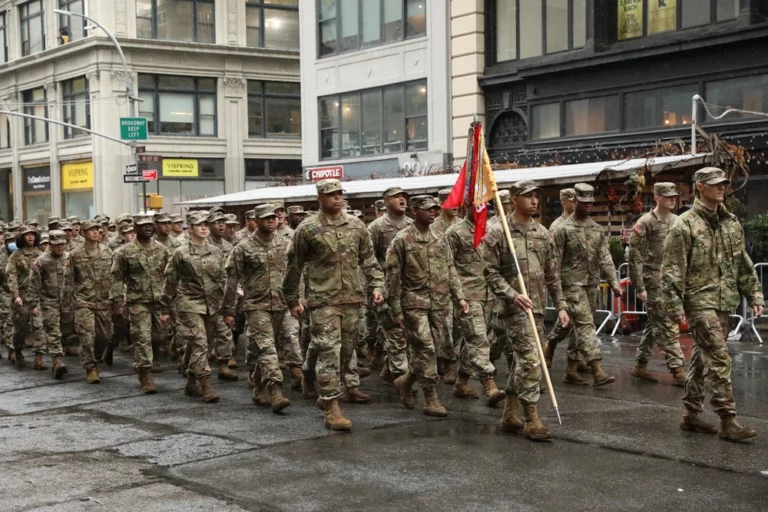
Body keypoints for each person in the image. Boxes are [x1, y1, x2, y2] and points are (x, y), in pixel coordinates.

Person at [662, 167, 764, 441]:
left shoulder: (731, 223)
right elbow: (672, 269)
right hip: (698, 303)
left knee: (701, 360)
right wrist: (674, 308)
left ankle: (691, 415)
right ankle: (728, 419)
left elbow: (742, 262)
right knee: (719, 358)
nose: (722, 188)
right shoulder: (684, 224)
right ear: (700, 187)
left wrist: (754, 294)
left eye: (724, 184)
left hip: (723, 301)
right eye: (715, 184)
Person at [283, 179, 384, 431]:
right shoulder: (308, 229)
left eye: (340, 194)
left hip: (351, 299)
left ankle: (310, 374)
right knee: (329, 350)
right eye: (331, 195)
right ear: (320, 198)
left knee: (345, 352)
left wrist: (378, 286)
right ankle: (331, 406)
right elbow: (294, 267)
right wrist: (293, 300)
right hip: (322, 301)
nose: (337, 199)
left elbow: (369, 260)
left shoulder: (356, 225)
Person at [483, 181, 570, 441]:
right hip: (512, 309)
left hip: (537, 308)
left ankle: (510, 414)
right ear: (514, 200)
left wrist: (562, 305)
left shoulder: (542, 233)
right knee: (532, 361)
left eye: (536, 196)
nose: (534, 201)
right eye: (528, 196)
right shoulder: (499, 232)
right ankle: (532, 418)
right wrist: (512, 294)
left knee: (523, 361)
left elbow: (552, 274)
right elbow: (489, 271)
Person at [386, 194, 465, 417]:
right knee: (426, 349)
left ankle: (407, 379)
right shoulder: (402, 240)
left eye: (435, 209)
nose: (433, 212)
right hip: (414, 303)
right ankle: (431, 398)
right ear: (414, 211)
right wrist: (395, 309)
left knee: (439, 347)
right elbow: (392, 277)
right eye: (428, 208)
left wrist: (459, 296)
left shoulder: (441, 237)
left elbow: (450, 268)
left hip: (439, 303)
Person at [223, 204, 295, 413]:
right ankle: (275, 390)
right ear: (256, 221)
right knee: (267, 347)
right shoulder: (243, 248)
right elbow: (231, 280)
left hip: (281, 304)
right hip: (256, 305)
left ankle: (257, 385)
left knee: (258, 348)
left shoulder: (285, 244)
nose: (271, 221)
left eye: (273, 217)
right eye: (266, 218)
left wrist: (297, 300)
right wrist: (228, 310)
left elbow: (295, 273)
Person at [552, 183, 621, 386]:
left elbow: (605, 258)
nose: (589, 206)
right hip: (570, 284)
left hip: (591, 284)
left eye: (591, 202)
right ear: (575, 201)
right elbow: (554, 262)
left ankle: (567, 363)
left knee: (575, 327)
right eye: (584, 202)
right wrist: (556, 292)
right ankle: (596, 368)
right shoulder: (562, 230)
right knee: (585, 324)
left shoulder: (596, 229)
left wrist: (613, 282)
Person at [445, 204, 505, 406]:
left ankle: (461, 381)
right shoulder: (455, 232)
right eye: (477, 204)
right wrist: (456, 295)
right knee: (479, 339)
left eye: (485, 205)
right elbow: (448, 265)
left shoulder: (492, 229)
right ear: (466, 206)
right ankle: (489, 384)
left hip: (489, 293)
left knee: (474, 340)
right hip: (467, 294)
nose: (482, 208)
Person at [160, 213, 224, 403]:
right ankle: (205, 383)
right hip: (189, 303)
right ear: (191, 228)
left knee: (203, 344)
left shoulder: (216, 252)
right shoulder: (181, 252)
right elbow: (170, 280)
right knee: (200, 342)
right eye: (199, 225)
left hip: (211, 304)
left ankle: (190, 378)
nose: (204, 228)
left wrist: (227, 303)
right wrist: (164, 308)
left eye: (206, 224)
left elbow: (222, 278)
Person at [628, 182, 686, 386]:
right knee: (668, 324)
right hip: (653, 281)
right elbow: (634, 258)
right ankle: (678, 370)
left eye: (674, 195)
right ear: (657, 198)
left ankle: (640, 365)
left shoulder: (678, 221)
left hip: (672, 281)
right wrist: (639, 287)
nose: (672, 199)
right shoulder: (645, 223)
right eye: (668, 196)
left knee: (655, 325)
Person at [110, 215, 170, 393]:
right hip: (138, 302)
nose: (148, 229)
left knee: (159, 336)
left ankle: (151, 360)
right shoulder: (124, 252)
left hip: (159, 301)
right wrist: (117, 301)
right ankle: (145, 373)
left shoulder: (162, 249)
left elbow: (170, 276)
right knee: (142, 338)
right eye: (143, 226)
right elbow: (117, 278)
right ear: (135, 228)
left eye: (150, 225)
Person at [367, 186, 413, 384]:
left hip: (408, 288)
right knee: (396, 334)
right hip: (386, 287)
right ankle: (400, 379)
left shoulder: (412, 225)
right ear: (386, 202)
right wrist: (374, 288)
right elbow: (368, 259)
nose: (402, 200)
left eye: (404, 197)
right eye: (397, 197)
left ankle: (389, 367)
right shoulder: (376, 227)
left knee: (408, 335)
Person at [71, 220, 115, 381]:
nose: (96, 232)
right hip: (84, 302)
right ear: (83, 233)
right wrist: (68, 304)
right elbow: (69, 280)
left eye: (98, 229)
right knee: (87, 337)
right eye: (92, 230)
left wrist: (117, 298)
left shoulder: (107, 252)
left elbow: (114, 277)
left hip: (104, 301)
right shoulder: (75, 255)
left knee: (105, 336)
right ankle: (90, 367)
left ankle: (96, 357)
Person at [28, 230, 73, 379]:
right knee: (53, 332)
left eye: (62, 244)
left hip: (68, 301)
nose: (60, 247)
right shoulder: (41, 261)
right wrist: (34, 305)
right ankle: (57, 361)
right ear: (51, 245)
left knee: (66, 331)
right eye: (57, 244)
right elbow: (34, 284)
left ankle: (64, 351)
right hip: (49, 301)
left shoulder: (70, 258)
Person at [544, 188, 578, 367]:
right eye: (573, 200)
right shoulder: (557, 227)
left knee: (581, 321)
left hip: (581, 280)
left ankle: (576, 358)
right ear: (564, 202)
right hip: (564, 279)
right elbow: (552, 258)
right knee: (569, 317)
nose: (577, 203)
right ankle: (551, 342)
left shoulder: (581, 223)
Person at [6, 226, 45, 366]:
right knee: (21, 328)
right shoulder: (15, 256)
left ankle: (39, 357)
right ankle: (16, 350)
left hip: (37, 296)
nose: (30, 237)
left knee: (39, 326)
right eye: (27, 235)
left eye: (33, 234)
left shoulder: (41, 254)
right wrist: (15, 295)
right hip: (21, 297)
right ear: (21, 238)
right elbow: (12, 276)